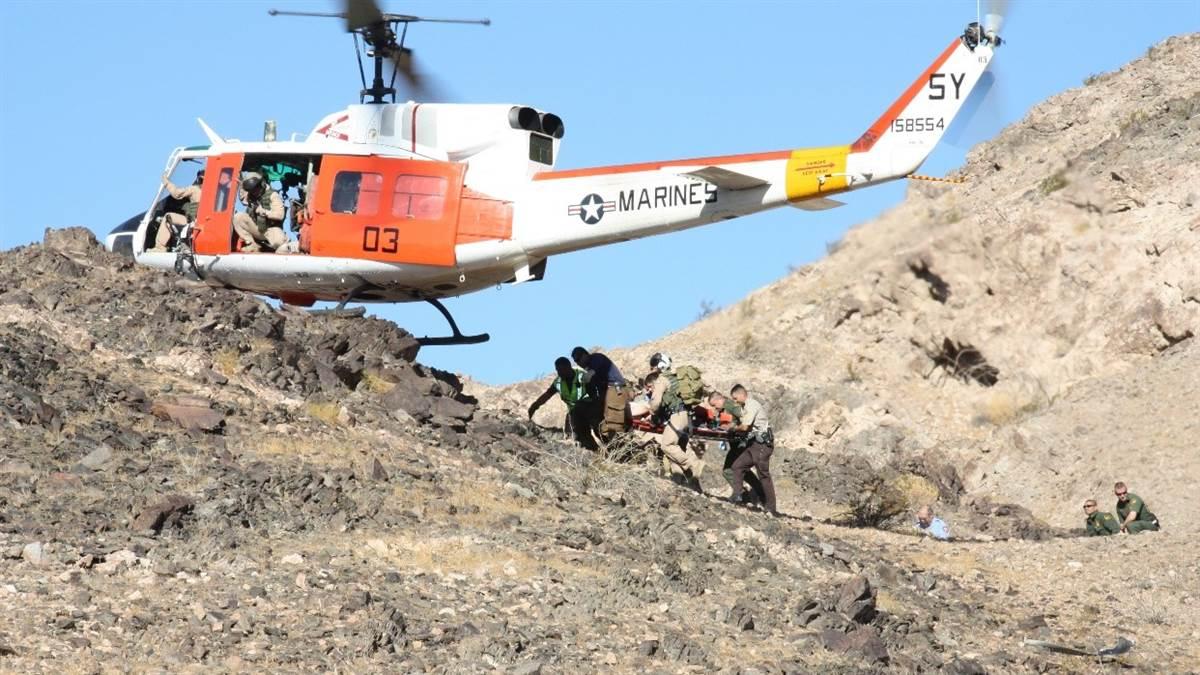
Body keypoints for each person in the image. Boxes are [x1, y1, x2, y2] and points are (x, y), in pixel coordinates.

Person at [646, 352, 704, 491]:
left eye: (653, 367)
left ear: (660, 366)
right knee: (676, 451)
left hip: (677, 416)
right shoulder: (676, 377)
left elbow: (656, 402)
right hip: (686, 417)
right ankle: (686, 482)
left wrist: (652, 413)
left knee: (667, 445)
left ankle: (694, 465)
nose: (652, 370)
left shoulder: (662, 380)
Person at [702, 391, 769, 508]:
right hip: (737, 443)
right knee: (742, 470)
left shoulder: (730, 406)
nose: (714, 408)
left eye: (714, 405)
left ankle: (744, 495)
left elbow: (744, 419)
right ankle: (756, 493)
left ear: (720, 399)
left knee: (729, 470)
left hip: (741, 443)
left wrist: (733, 427)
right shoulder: (725, 408)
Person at [528, 357, 599, 451]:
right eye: (558, 370)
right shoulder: (558, 382)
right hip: (574, 413)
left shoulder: (582, 376)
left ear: (569, 367)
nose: (560, 372)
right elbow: (547, 395)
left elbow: (595, 394)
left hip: (590, 408)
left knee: (599, 430)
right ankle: (596, 453)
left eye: (562, 369)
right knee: (580, 436)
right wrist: (535, 405)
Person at [728, 384, 777, 516]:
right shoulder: (745, 407)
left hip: (762, 445)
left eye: (735, 398)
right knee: (737, 466)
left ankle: (771, 507)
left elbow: (745, 427)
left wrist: (733, 428)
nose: (734, 401)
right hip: (754, 444)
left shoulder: (751, 405)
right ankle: (737, 496)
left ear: (742, 394)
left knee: (763, 475)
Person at [571, 347, 628, 439]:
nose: (578, 363)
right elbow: (591, 391)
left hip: (616, 389)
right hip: (606, 394)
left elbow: (591, 373)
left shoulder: (596, 358)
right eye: (575, 361)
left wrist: (584, 379)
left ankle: (618, 435)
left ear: (585, 355)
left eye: (578, 359)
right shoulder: (589, 369)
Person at [150, 169, 204, 252]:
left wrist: (166, 182)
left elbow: (177, 193)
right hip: (205, 224)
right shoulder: (215, 192)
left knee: (168, 217)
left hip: (194, 222)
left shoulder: (194, 189)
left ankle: (160, 248)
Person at [233, 173, 288, 252]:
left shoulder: (273, 195)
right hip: (256, 228)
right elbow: (243, 199)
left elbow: (280, 215)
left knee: (281, 244)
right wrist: (241, 186)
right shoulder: (251, 195)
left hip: (270, 230)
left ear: (262, 184)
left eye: (256, 188)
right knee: (238, 217)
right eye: (252, 190)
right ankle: (252, 244)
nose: (254, 192)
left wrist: (265, 212)